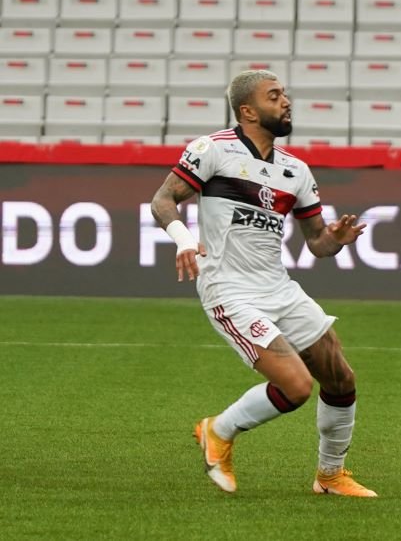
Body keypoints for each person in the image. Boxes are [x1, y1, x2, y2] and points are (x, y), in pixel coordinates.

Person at [150, 69, 376, 496]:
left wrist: (337, 240)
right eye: (275, 96)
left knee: (341, 377)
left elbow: (317, 244)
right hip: (229, 289)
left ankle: (330, 476)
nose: (286, 101)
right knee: (296, 386)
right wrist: (183, 239)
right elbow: (162, 200)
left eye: (285, 94)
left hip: (279, 287)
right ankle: (218, 430)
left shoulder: (296, 170)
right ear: (248, 110)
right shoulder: (211, 150)